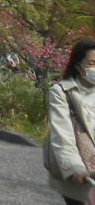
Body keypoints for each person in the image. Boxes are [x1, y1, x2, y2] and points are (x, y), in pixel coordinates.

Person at [47, 38, 95, 205]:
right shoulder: (62, 92)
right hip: (81, 173)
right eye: (92, 63)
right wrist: (74, 167)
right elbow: (62, 133)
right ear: (78, 66)